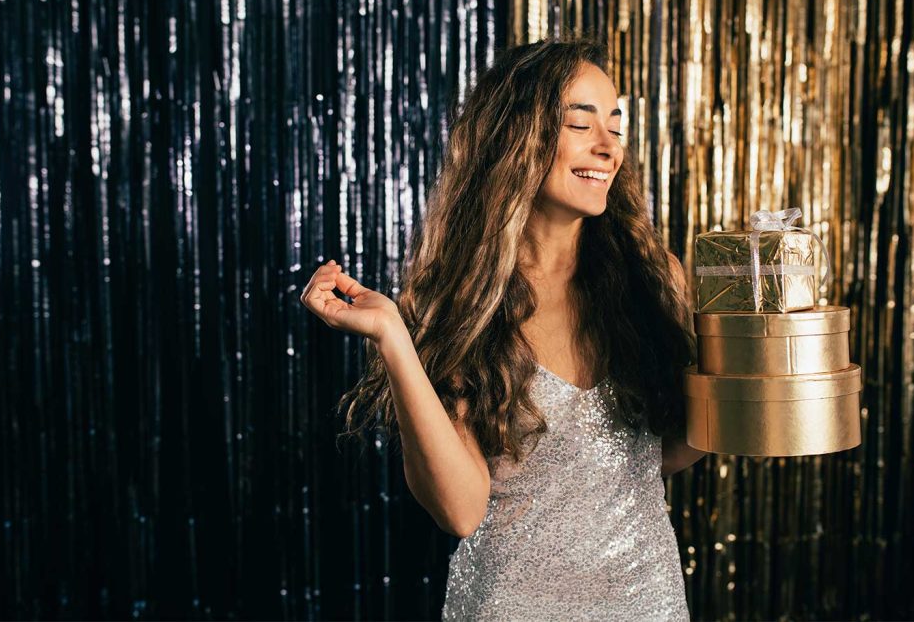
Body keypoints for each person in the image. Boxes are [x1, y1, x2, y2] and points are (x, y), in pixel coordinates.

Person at [300, 36, 706, 621]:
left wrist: (751, 379)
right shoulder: (455, 301)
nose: (607, 148)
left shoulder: (653, 278)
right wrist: (393, 336)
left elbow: (660, 453)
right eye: (580, 124)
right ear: (519, 137)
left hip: (647, 602)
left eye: (615, 127)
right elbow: (460, 511)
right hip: (510, 606)